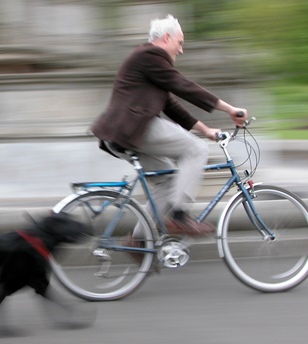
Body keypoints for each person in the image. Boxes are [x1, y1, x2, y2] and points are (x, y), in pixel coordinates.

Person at [91, 14, 248, 236]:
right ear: (166, 38)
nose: (181, 50)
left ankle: (138, 241)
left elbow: (170, 105)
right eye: (180, 43)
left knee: (169, 181)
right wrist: (229, 109)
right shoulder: (150, 55)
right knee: (196, 149)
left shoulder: (147, 61)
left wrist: (205, 130)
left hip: (121, 134)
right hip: (134, 127)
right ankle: (179, 215)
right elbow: (183, 86)